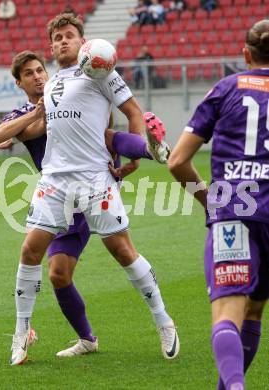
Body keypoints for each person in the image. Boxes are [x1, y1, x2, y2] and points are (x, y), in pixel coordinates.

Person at [4, 13, 179, 366]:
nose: (62, 41)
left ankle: (164, 321)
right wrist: (10, 133)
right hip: (54, 180)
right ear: (51, 46)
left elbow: (132, 111)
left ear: (82, 41)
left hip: (94, 178)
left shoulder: (100, 70)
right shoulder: (51, 85)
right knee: (29, 252)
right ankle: (21, 333)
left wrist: (133, 157)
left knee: (123, 251)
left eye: (69, 35)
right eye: (57, 38)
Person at [168, 19, 269, 390]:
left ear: (245, 54)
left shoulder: (225, 89)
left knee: (229, 312)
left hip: (233, 211)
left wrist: (209, 202)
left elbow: (177, 161)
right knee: (255, 310)